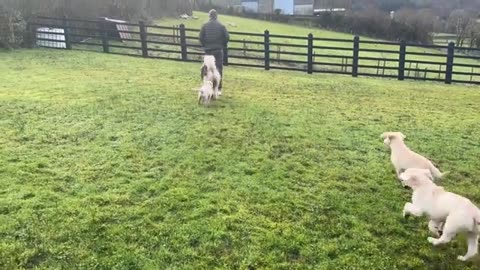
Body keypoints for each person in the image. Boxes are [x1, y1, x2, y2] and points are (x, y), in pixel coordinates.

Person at [199, 9, 230, 95]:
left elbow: (201, 37)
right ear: (216, 16)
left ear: (209, 16)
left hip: (208, 51)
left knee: (206, 69)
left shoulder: (204, 26)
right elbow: (227, 37)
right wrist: (222, 45)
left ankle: (206, 87)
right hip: (218, 51)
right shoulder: (221, 26)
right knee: (218, 69)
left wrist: (205, 45)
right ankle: (218, 89)